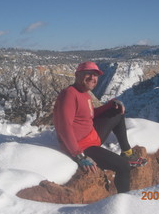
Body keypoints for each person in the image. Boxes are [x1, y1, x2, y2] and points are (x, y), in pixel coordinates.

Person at [53, 61, 146, 193]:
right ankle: (124, 201)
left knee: (117, 113)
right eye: (88, 74)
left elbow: (89, 115)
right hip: (84, 147)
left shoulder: (85, 94)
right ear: (77, 75)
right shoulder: (69, 94)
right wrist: (79, 156)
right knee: (123, 167)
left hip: (92, 136)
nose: (93, 78)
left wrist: (110, 105)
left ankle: (127, 153)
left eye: (96, 75)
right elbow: (64, 126)